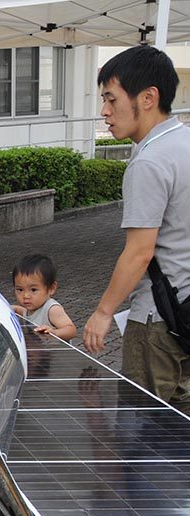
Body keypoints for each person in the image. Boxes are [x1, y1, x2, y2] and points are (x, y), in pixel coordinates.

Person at [82, 46, 190, 414]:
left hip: (157, 321)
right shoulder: (186, 143)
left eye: (111, 99)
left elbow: (140, 252)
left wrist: (102, 312)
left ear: (148, 97)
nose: (105, 112)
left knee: (144, 428)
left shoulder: (149, 161)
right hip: (187, 311)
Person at [11, 254, 77, 340]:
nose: (25, 296)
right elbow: (22, 312)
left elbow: (71, 330)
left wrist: (55, 332)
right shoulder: (30, 308)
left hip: (55, 352)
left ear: (51, 288)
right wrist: (11, 308)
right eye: (20, 289)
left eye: (33, 290)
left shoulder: (52, 309)